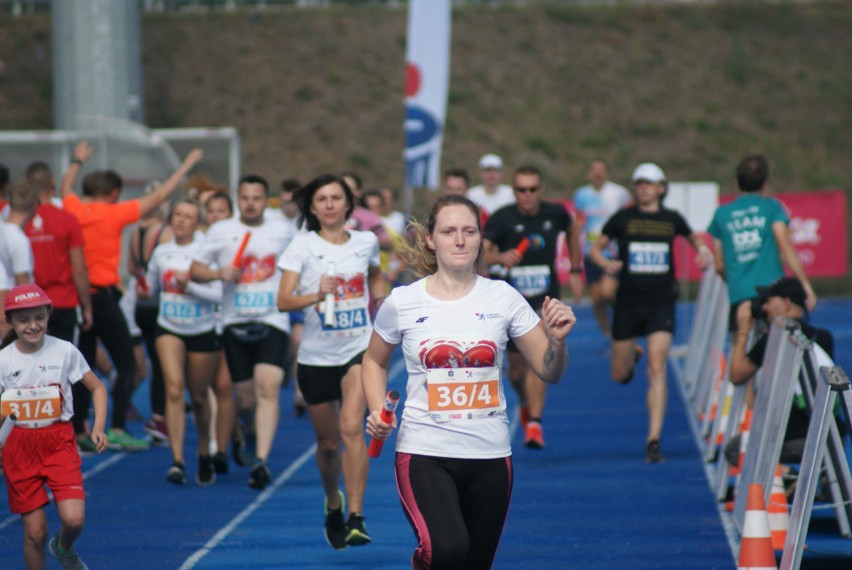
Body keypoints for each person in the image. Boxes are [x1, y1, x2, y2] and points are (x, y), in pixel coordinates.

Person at [362, 194, 576, 569]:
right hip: (425, 452)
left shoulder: (503, 298)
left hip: (490, 455)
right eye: (449, 231)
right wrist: (379, 409)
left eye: (468, 231)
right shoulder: (404, 301)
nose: (459, 240)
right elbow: (373, 360)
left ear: (480, 238)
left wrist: (556, 341)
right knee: (445, 551)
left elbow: (549, 371)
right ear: (431, 239)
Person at [61, 140, 204, 452]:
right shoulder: (114, 213)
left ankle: (80, 429)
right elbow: (160, 196)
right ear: (113, 193)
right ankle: (117, 426)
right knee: (129, 366)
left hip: (80, 298)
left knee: (84, 366)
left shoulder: (73, 208)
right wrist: (184, 167)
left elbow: (66, 186)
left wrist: (76, 159)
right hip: (104, 298)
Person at [277, 174, 385, 550]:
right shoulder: (301, 246)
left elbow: (375, 273)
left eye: (336, 198)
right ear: (312, 207)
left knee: (351, 428)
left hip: (357, 347)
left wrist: (381, 300)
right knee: (327, 444)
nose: (328, 204)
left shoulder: (366, 241)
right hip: (315, 356)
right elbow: (283, 301)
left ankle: (357, 516)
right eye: (321, 199)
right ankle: (334, 503)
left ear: (347, 203)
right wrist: (314, 294)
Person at [589, 162, 712, 463]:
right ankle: (633, 354)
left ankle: (653, 440)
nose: (642, 187)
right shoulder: (623, 218)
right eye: (638, 183)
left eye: (648, 183)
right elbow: (595, 249)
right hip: (628, 304)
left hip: (661, 304)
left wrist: (703, 251)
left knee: (657, 368)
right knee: (620, 375)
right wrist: (606, 264)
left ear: (661, 188)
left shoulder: (671, 219)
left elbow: (694, 238)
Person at [190, 174, 295, 490]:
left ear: (267, 200)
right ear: (238, 199)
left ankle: (261, 460)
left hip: (272, 320)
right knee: (245, 399)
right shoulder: (222, 231)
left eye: (257, 198)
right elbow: (194, 270)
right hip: (234, 322)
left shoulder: (283, 230)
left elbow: (301, 265)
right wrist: (217, 272)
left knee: (269, 387)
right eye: (245, 197)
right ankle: (247, 431)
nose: (251, 203)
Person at [0, 283, 109, 570]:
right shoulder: (4, 360)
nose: (32, 326)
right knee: (35, 533)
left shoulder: (65, 351)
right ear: (10, 321)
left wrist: (98, 426)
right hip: (19, 444)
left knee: (74, 519)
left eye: (39, 317)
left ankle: (64, 547)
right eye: (23, 320)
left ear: (49, 315)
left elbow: (98, 388)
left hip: (58, 439)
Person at [482, 165, 583, 449]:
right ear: (514, 191)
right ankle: (526, 403)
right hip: (513, 304)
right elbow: (483, 256)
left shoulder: (555, 214)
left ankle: (535, 423)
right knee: (516, 371)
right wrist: (501, 256)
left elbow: (573, 230)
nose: (527, 195)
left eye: (532, 190)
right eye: (521, 190)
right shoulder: (502, 219)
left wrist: (575, 269)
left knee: (538, 360)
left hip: (544, 302)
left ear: (541, 190)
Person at [146, 198, 222, 485]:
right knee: (174, 389)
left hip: (202, 328)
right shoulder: (161, 252)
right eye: (177, 214)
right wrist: (142, 292)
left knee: (199, 397)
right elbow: (151, 289)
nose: (180, 220)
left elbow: (218, 295)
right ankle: (177, 460)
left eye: (188, 216)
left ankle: (204, 449)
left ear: (197, 222)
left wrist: (190, 285)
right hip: (169, 327)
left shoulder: (206, 252)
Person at [725, 277, 833, 470]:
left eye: (768, 301)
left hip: (794, 439)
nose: (764, 308)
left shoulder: (775, 340)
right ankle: (823, 474)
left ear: (786, 303)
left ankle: (786, 477)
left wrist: (743, 330)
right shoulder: (824, 338)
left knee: (734, 449)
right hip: (830, 437)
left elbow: (736, 375)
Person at [707, 153, 817, 332]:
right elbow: (785, 246)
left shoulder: (721, 214)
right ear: (765, 183)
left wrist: (737, 282)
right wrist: (804, 284)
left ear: (736, 182)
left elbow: (719, 265)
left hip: (739, 295)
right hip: (772, 296)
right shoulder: (772, 207)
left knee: (741, 353)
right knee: (773, 354)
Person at [202, 191, 248, 473]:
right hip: (202, 324)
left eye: (222, 211)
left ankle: (218, 448)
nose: (216, 216)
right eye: (212, 211)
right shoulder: (200, 244)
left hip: (227, 323)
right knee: (203, 390)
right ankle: (233, 435)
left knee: (222, 388)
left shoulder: (237, 243)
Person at [24, 161, 93, 343]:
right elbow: (79, 268)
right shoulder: (66, 219)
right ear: (53, 182)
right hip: (62, 302)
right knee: (62, 364)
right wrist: (87, 306)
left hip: (28, 304)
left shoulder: (20, 222)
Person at [128, 185, 174, 445]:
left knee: (155, 359)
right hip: (158, 303)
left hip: (140, 304)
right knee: (162, 364)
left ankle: (160, 415)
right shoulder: (165, 233)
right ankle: (159, 416)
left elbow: (132, 267)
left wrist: (142, 278)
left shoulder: (137, 231)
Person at [572, 159, 631, 340]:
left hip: (612, 253)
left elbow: (628, 218)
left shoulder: (619, 193)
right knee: (597, 298)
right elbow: (578, 222)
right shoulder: (581, 195)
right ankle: (609, 334)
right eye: (594, 170)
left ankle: (625, 316)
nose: (598, 174)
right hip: (591, 254)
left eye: (602, 170)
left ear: (607, 173)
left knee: (607, 293)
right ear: (589, 174)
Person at [0, 180, 38, 287]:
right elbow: (24, 286)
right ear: (34, 206)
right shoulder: (18, 240)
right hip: (12, 300)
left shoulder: (2, 230)